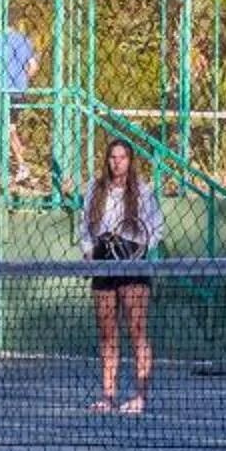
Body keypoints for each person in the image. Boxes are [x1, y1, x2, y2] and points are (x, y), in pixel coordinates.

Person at [77, 139, 164, 413]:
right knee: (107, 334)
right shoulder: (95, 188)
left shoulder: (142, 191)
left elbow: (157, 228)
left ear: (130, 160)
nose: (117, 162)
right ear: (107, 160)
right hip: (103, 262)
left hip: (131, 264)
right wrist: (89, 251)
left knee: (137, 332)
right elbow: (84, 226)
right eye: (113, 157)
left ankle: (139, 396)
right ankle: (108, 396)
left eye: (123, 157)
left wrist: (139, 250)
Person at [0, 19, 40, 194]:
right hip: (19, 91)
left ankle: (0, 169)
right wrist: (22, 80)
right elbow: (33, 67)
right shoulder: (24, 40)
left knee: (4, 128)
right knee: (10, 128)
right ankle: (19, 166)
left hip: (3, 91)